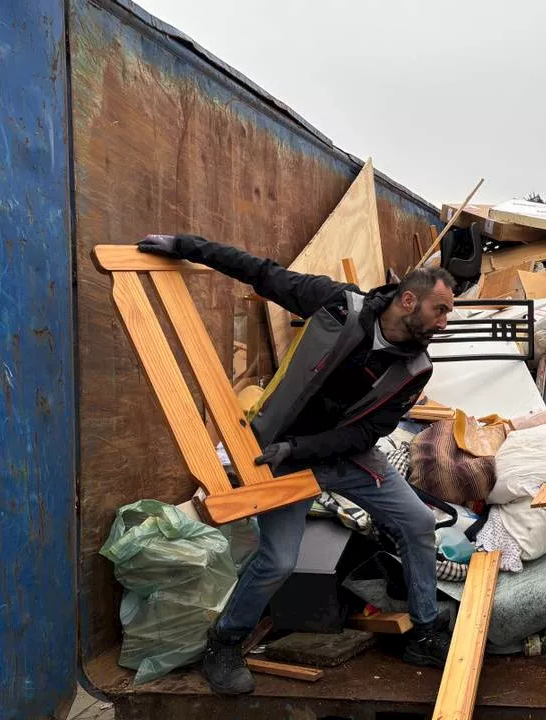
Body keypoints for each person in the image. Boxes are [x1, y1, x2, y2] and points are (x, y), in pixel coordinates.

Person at [136, 233, 456, 695]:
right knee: (279, 560)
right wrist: (184, 246)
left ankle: (423, 633)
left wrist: (303, 450)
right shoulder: (337, 305)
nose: (444, 322)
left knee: (417, 521)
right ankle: (224, 642)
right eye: (439, 310)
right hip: (279, 452)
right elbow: (262, 272)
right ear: (409, 300)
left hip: (344, 456)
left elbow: (367, 434)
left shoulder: (416, 369)